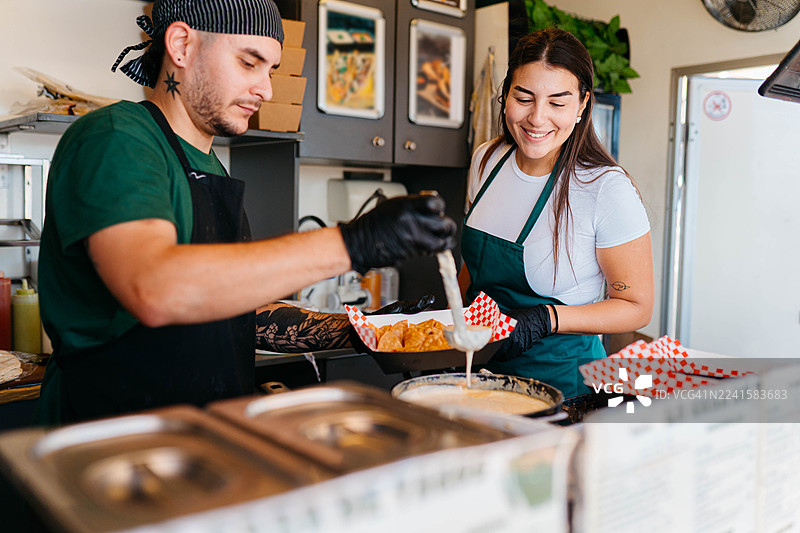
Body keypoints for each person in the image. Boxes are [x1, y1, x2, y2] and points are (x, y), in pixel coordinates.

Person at [34, 0, 456, 425]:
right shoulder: (117, 137)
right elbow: (157, 287)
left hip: (203, 437)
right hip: (109, 443)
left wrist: (363, 329)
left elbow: (236, 312)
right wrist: (353, 242)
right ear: (182, 45)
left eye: (270, 71)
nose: (267, 90)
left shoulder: (210, 165)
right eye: (249, 62)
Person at [459, 28, 653, 398]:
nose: (537, 117)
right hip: (478, 374)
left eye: (557, 102)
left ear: (582, 105)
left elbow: (636, 307)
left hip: (564, 389)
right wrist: (442, 315)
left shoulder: (604, 189)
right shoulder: (487, 160)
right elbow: (474, 266)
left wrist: (549, 319)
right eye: (524, 97)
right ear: (505, 96)